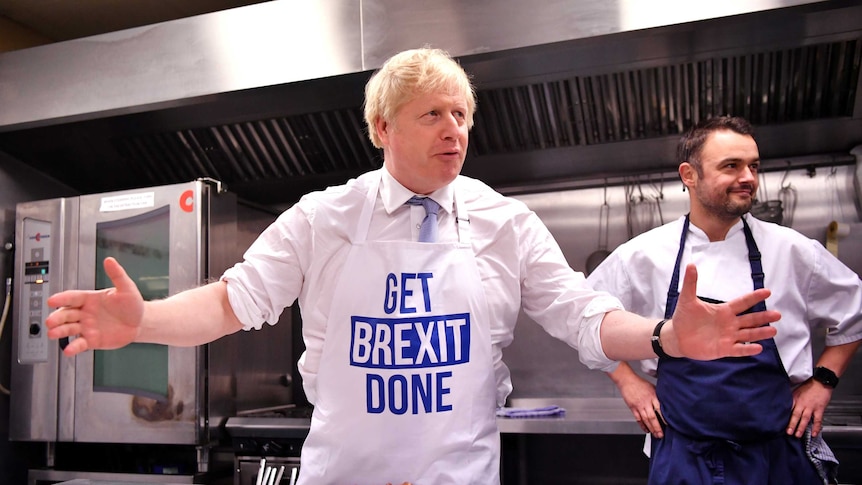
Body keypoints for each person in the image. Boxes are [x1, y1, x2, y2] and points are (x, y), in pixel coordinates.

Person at [45, 49, 779, 485]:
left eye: (461, 114)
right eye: (433, 114)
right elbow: (232, 302)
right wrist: (144, 321)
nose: (454, 130)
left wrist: (663, 338)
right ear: (381, 127)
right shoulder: (324, 216)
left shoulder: (503, 220)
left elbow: (582, 315)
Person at [588, 115, 862, 485]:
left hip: (778, 455)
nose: (748, 177)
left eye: (754, 166)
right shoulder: (642, 255)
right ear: (690, 175)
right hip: (683, 456)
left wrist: (823, 382)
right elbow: (585, 320)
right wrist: (627, 382)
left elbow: (855, 312)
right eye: (731, 166)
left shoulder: (793, 250)